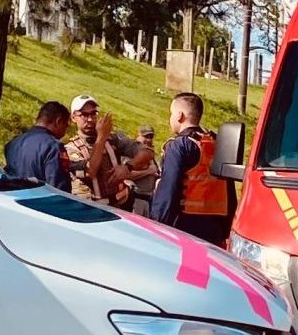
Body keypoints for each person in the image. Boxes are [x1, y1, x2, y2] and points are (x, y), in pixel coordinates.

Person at [151, 92, 233, 244]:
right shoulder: (217, 143)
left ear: (179, 116)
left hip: (185, 227)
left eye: (171, 113)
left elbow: (169, 189)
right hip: (216, 229)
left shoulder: (179, 146)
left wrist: (157, 225)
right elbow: (230, 191)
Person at [66, 94, 131, 206]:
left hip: (118, 206)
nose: (90, 119)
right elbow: (90, 171)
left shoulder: (112, 140)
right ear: (73, 118)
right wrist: (101, 137)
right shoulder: (70, 149)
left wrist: (129, 167)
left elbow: (146, 152)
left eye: (93, 114)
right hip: (88, 209)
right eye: (84, 115)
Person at [2, 101, 72, 191]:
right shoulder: (54, 147)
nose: (65, 132)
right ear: (58, 122)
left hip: (12, 200)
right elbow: (59, 188)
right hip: (39, 202)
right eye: (65, 126)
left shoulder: (13, 143)